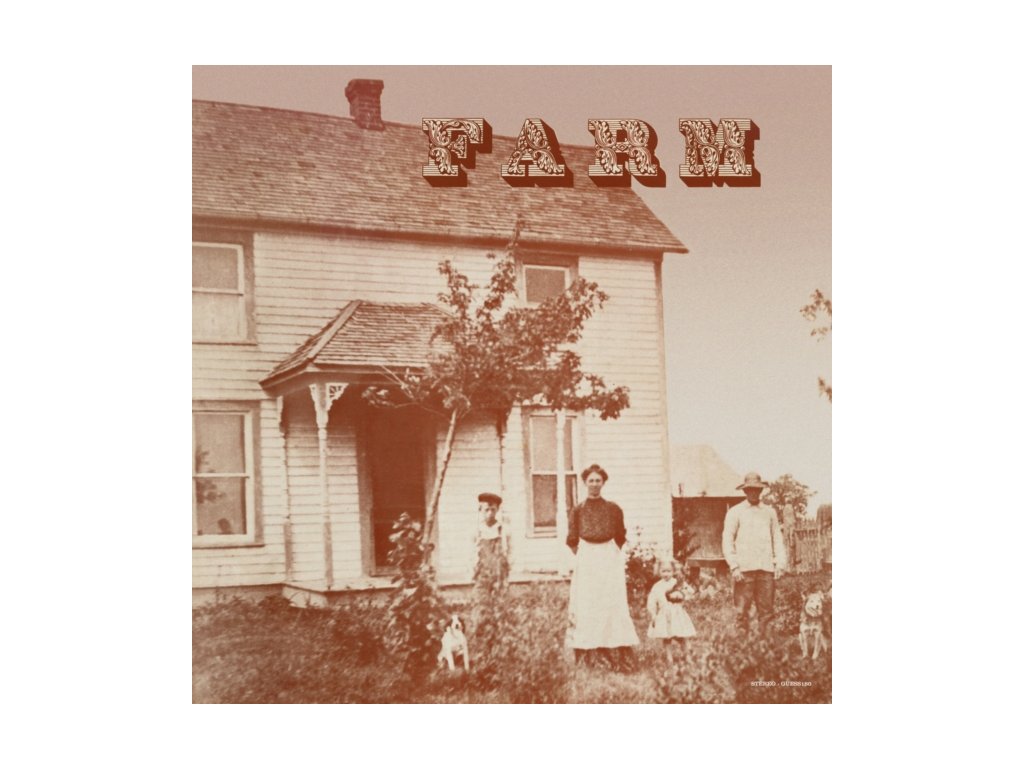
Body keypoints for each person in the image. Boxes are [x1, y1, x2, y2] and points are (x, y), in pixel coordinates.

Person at [566, 464, 639, 670]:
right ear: (585, 482)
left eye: (598, 480)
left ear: (603, 483)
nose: (594, 484)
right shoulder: (578, 510)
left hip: (609, 557)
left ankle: (615, 651)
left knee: (611, 601)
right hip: (587, 557)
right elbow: (572, 539)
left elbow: (620, 535)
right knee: (587, 602)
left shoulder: (613, 509)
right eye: (591, 480)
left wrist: (609, 553)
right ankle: (589, 652)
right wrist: (587, 555)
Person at [721, 471, 787, 635]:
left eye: (757, 489)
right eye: (750, 489)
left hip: (766, 569)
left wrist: (780, 563)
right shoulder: (735, 512)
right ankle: (742, 645)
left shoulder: (769, 512)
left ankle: (765, 645)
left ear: (761, 490)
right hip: (744, 570)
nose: (753, 492)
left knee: (767, 611)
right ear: (745, 490)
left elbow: (777, 538)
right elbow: (727, 539)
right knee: (742, 611)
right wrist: (734, 566)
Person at [647, 561, 697, 661]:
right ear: (659, 572)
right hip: (664, 613)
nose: (666, 574)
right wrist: (653, 614)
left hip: (677, 613)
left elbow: (690, 592)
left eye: (669, 571)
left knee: (682, 635)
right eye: (663, 571)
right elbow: (651, 601)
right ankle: (669, 657)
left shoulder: (677, 582)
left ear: (673, 571)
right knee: (667, 637)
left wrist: (682, 594)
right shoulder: (657, 586)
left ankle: (687, 656)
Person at [473, 492, 509, 593]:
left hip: (499, 574)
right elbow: (472, 553)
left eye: (493, 509)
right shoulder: (477, 530)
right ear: (480, 509)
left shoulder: (502, 529)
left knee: (500, 599)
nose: (490, 513)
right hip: (482, 574)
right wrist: (473, 572)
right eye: (486, 510)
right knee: (481, 598)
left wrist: (506, 575)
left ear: (497, 509)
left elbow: (508, 552)